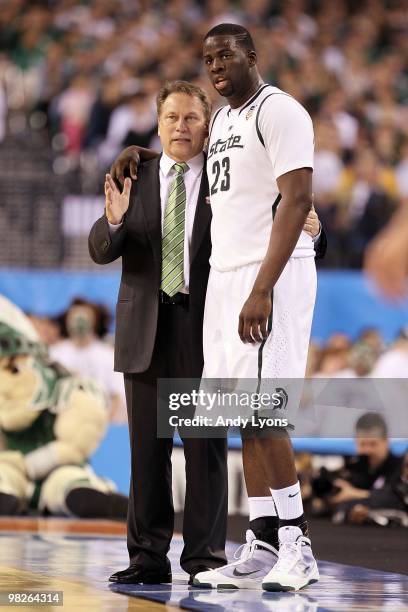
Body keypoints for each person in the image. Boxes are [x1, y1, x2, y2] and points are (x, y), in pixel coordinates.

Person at [111, 24, 324, 592]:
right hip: (228, 279)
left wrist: (262, 288)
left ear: (252, 55)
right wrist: (141, 153)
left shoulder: (280, 111)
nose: (216, 65)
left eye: (226, 55)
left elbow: (298, 197)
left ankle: (297, 541)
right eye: (208, 58)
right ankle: (261, 538)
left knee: (265, 413)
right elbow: (195, 167)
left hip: (265, 276)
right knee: (242, 418)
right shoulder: (225, 120)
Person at [88, 81, 229, 586]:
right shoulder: (134, 174)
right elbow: (101, 250)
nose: (180, 127)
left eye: (191, 118)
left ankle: (206, 559)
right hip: (145, 329)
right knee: (147, 453)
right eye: (171, 118)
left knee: (205, 448)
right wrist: (113, 220)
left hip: (204, 327)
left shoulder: (222, 176)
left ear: (207, 124)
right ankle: (148, 558)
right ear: (158, 121)